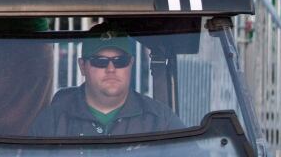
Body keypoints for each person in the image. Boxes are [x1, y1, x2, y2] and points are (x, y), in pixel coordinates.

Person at [30, 26, 183, 136]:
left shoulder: (160, 121)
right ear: (82, 66)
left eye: (120, 61)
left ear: (130, 64)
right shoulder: (51, 122)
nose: (111, 68)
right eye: (100, 61)